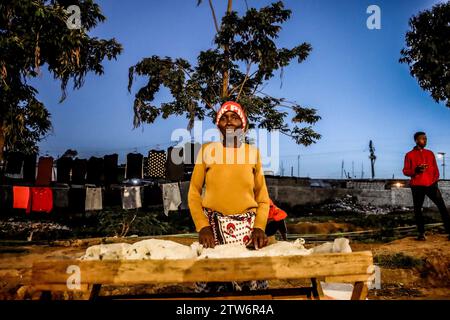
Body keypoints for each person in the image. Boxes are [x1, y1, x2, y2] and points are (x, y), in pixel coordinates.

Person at [188, 100, 270, 293]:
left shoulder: (253, 153)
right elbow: (193, 192)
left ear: (243, 124)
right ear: (218, 125)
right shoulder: (208, 151)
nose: (229, 121)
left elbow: (263, 198)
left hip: (248, 234)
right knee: (212, 289)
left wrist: (259, 227)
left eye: (234, 117)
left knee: (252, 292)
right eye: (224, 118)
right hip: (213, 232)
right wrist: (203, 226)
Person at [403, 131, 450, 241]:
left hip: (431, 185)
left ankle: (449, 231)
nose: (425, 140)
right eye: (422, 138)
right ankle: (421, 234)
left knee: (442, 207)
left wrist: (434, 180)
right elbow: (405, 171)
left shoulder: (430, 153)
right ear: (416, 140)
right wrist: (416, 170)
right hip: (417, 186)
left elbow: (436, 169)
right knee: (418, 210)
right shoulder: (409, 155)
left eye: (426, 138)